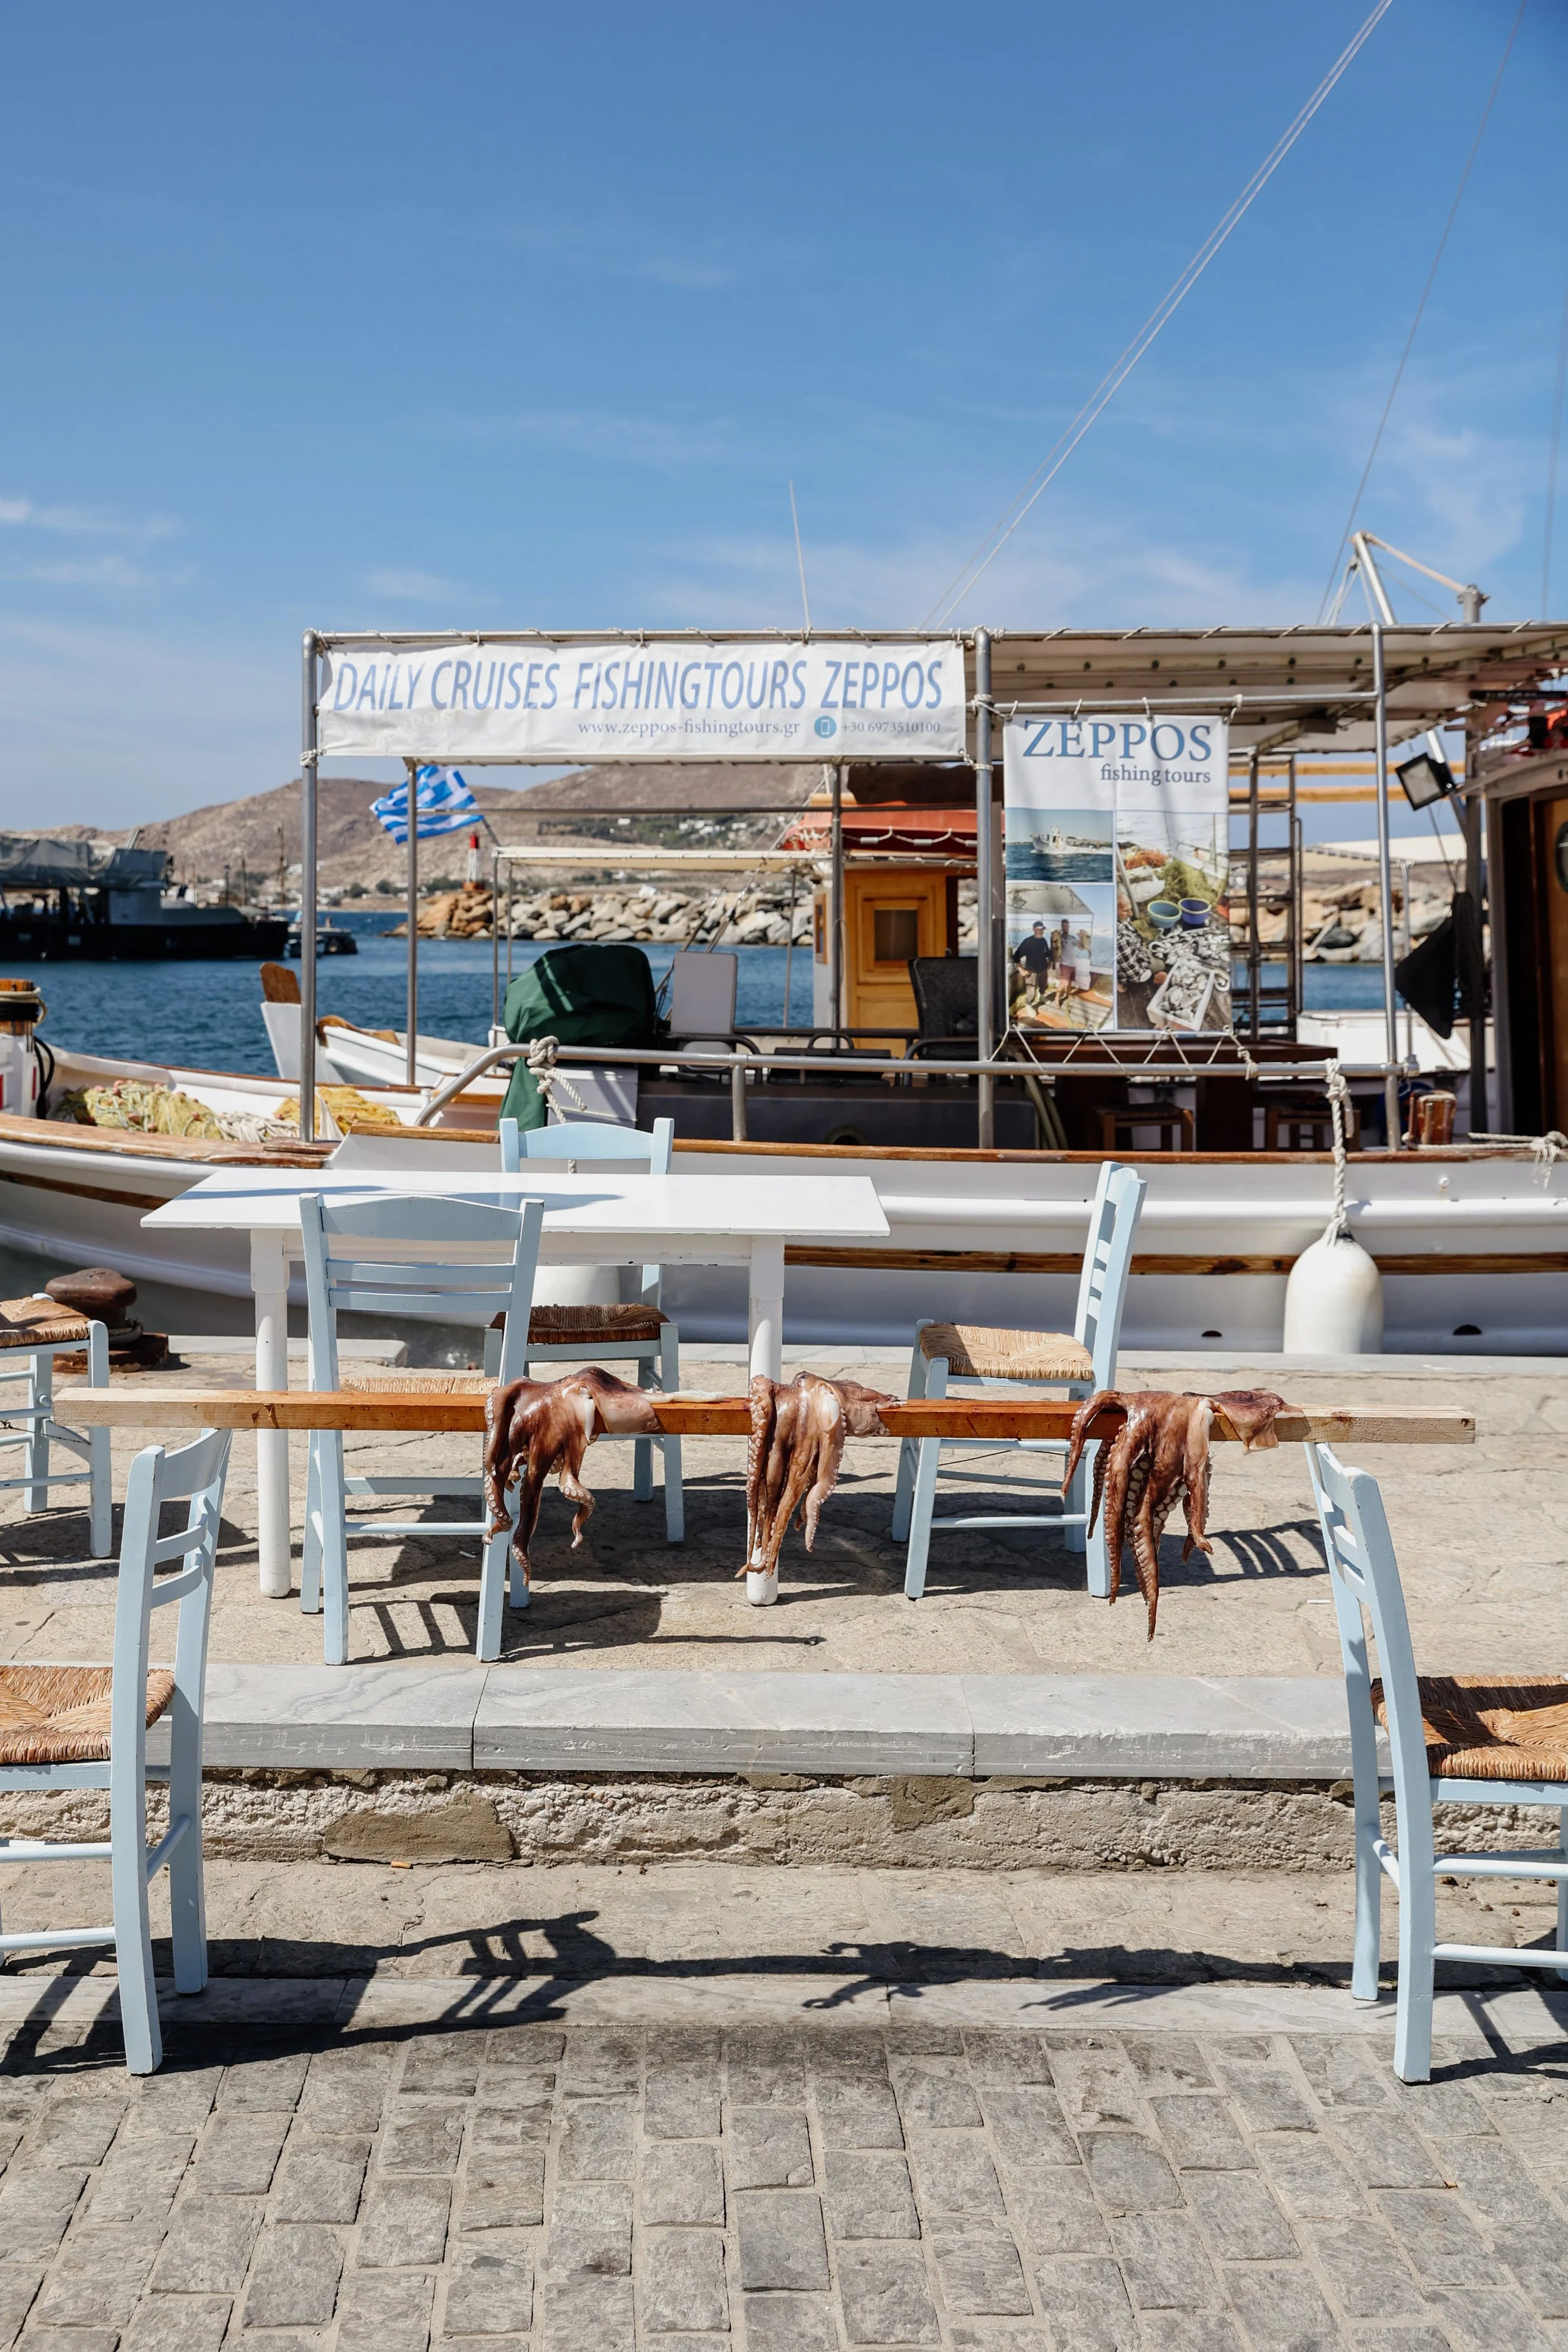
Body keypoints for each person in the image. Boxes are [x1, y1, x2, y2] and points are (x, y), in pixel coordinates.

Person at [1012, 920, 1053, 1012]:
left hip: (1043, 969)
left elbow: (1047, 954)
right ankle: (1029, 1005)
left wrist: (1050, 962)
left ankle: (1042, 997)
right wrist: (1021, 970)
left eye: (1042, 929)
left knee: (1043, 986)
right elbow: (1016, 956)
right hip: (1032, 971)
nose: (1041, 931)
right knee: (1031, 990)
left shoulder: (1043, 941)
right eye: (1039, 929)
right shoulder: (1028, 942)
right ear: (1034, 929)